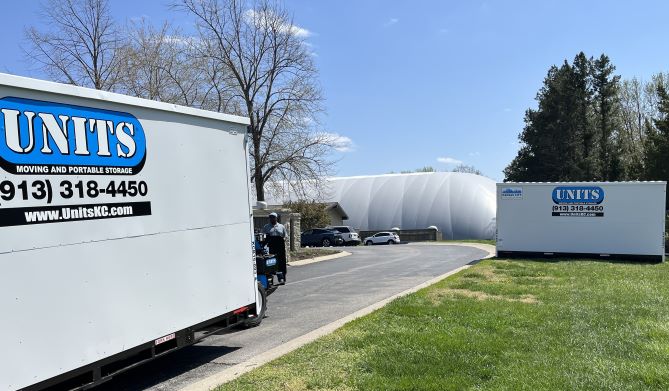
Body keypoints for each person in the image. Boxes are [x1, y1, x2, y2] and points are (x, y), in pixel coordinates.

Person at [261, 212, 287, 284]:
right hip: (271, 248)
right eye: (270, 217)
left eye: (273, 217)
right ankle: (270, 280)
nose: (271, 219)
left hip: (280, 247)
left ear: (276, 218)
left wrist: (283, 240)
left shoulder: (281, 226)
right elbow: (263, 237)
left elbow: (285, 236)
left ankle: (282, 278)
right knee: (271, 263)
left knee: (281, 263)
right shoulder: (266, 227)